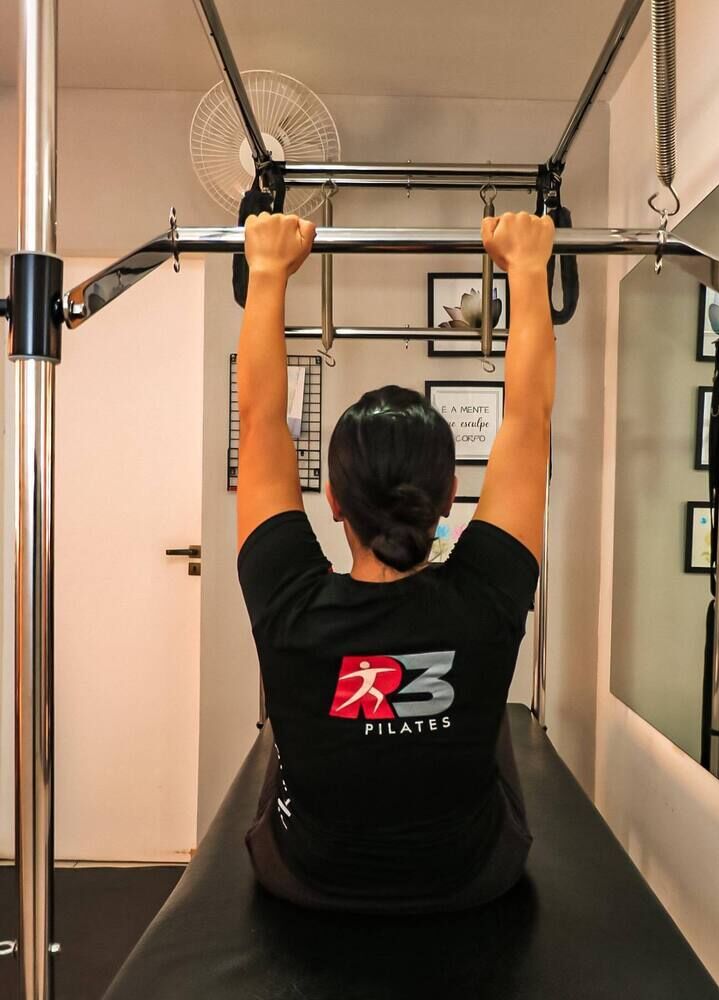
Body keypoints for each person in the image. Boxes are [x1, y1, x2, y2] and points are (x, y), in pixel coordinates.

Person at [236, 210, 555, 912]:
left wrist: (267, 271)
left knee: (284, 741)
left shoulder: (289, 601)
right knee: (493, 720)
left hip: (306, 877)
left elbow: (259, 425)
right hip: (471, 877)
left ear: (333, 500)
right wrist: (529, 269)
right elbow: (529, 420)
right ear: (449, 498)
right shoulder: (486, 598)